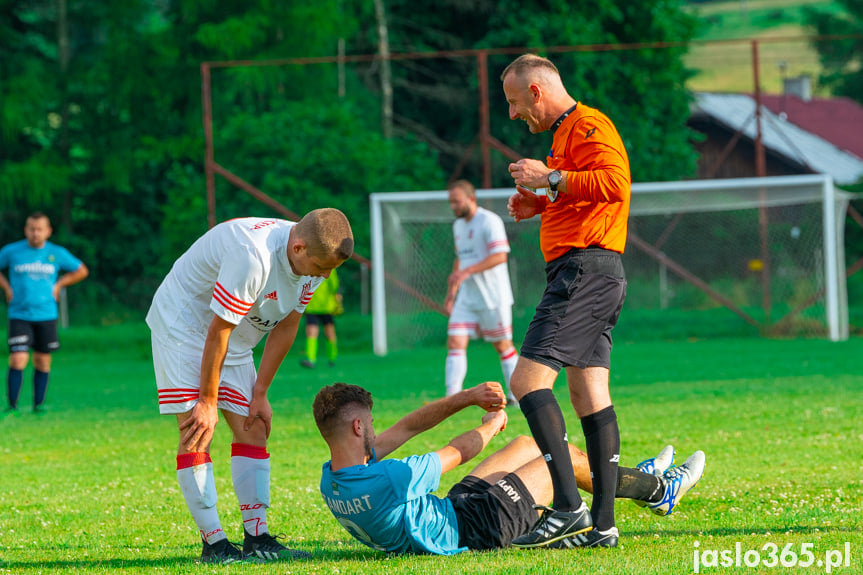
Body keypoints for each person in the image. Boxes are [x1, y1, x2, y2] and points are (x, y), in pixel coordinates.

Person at [145, 210, 353, 564]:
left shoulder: (312, 260)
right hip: (183, 326)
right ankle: (215, 544)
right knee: (197, 429)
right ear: (298, 247)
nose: (325, 275)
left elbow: (287, 325)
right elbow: (217, 330)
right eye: (321, 266)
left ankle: (257, 538)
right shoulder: (252, 255)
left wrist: (261, 392)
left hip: (232, 334)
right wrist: (207, 401)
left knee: (254, 427)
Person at [313, 381, 705, 555]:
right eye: (371, 422)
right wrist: (490, 425)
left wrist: (468, 397)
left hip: (454, 511)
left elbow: (409, 426)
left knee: (530, 446)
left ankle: (640, 481)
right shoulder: (390, 479)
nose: (378, 429)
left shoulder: (333, 478)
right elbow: (456, 452)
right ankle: (658, 491)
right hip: (476, 528)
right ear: (358, 426)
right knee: (562, 459)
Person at [501, 53, 633, 548]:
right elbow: (581, 191)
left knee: (526, 382)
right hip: (593, 272)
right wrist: (539, 201)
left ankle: (567, 506)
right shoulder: (562, 137)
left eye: (516, 103)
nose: (514, 115)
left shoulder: (587, 124)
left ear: (536, 91)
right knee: (589, 395)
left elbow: (614, 185)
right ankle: (603, 526)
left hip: (584, 271)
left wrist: (549, 179)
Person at [0, 212, 89, 417]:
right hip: (19, 314)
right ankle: (12, 406)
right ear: (26, 230)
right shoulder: (12, 251)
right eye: (31, 229)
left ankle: (38, 405)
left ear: (48, 231)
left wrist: (59, 284)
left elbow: (82, 270)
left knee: (42, 360)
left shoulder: (56, 253)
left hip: (46, 314)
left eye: (39, 229)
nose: (35, 233)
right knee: (18, 358)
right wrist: (6, 287)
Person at [442, 180, 519, 405]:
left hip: (493, 296)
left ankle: (516, 394)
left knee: (502, 345)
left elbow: (500, 256)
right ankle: (451, 398)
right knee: (455, 341)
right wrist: (451, 294)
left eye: (457, 202)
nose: (453, 206)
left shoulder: (489, 221)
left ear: (471, 199)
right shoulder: (458, 226)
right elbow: (461, 259)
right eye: (451, 203)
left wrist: (467, 272)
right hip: (467, 296)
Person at [300, 268, 341, 369]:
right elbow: (335, 286)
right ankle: (332, 358)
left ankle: (311, 359)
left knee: (313, 331)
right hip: (323, 305)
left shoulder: (308, 264)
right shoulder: (330, 266)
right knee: (328, 330)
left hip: (314, 304)